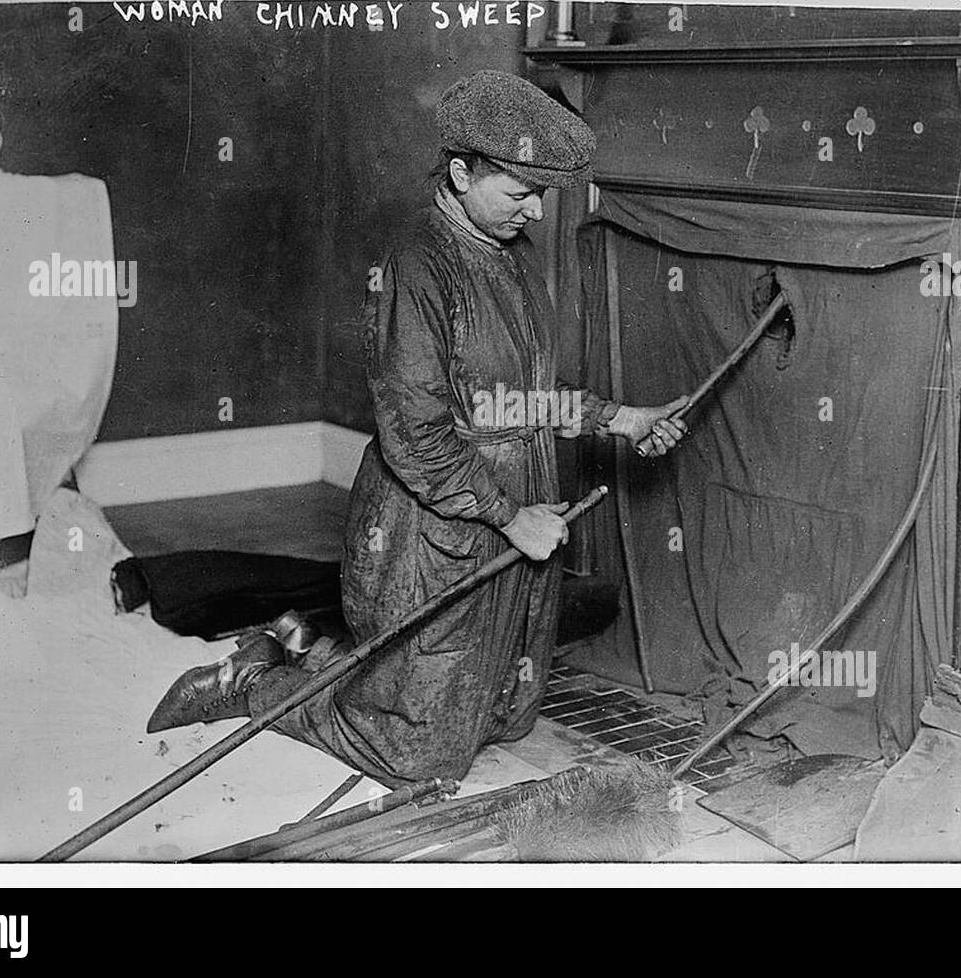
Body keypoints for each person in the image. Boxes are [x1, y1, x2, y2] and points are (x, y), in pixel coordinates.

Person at [147, 70, 687, 787]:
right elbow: (415, 434)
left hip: (516, 509)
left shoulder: (514, 257)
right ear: (462, 174)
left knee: (506, 716)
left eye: (543, 195)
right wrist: (510, 516)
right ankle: (253, 681)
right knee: (413, 752)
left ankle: (306, 645)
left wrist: (621, 419)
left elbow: (525, 397)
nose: (535, 211)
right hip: (434, 526)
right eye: (521, 193)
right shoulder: (416, 266)